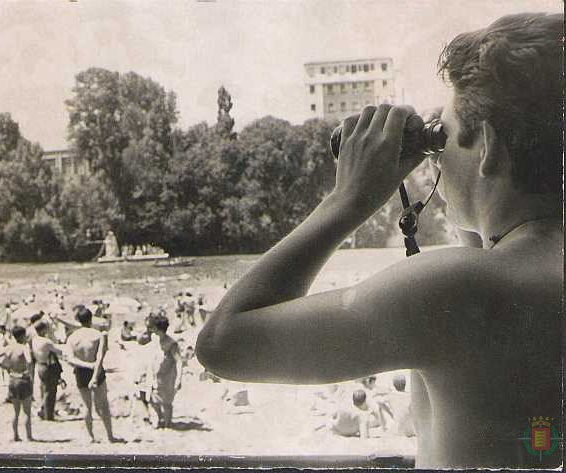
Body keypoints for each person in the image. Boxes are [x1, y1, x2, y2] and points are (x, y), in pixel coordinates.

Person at [196, 13, 562, 468]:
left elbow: (223, 345)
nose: (436, 157)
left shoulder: (455, 288)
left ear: (487, 148)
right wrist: (472, 182)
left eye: (441, 136)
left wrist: (347, 199)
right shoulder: (516, 277)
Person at [62, 307, 124, 443]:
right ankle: (110, 436)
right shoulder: (99, 335)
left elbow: (70, 359)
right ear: (91, 319)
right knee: (103, 405)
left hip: (80, 371)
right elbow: (100, 357)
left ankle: (90, 437)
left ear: (78, 320)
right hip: (97, 370)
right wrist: (95, 374)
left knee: (86, 406)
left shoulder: (72, 337)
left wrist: (86, 365)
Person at [0, 325, 34, 442]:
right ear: (22, 336)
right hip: (23, 379)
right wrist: (28, 372)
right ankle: (29, 437)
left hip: (12, 378)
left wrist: (5, 367)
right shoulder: (24, 348)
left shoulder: (8, 348)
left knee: (16, 411)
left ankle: (15, 436)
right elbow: (29, 361)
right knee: (27, 412)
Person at [146, 313, 183, 429]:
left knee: (166, 402)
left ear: (158, 328)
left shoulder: (171, 343)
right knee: (151, 399)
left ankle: (168, 424)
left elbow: (179, 361)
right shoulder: (155, 339)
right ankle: (160, 417)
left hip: (168, 377)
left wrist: (179, 379)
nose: (151, 330)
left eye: (153, 328)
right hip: (155, 376)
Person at [31, 320, 63, 421]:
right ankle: (49, 415)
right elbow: (59, 351)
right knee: (50, 391)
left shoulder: (34, 339)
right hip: (48, 367)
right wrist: (52, 335)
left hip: (40, 365)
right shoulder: (46, 341)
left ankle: (44, 410)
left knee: (45, 389)